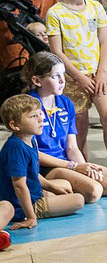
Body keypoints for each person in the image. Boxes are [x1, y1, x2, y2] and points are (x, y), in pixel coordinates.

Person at [45, 0, 107, 172]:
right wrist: (78, 77)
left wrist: (101, 71)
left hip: (97, 74)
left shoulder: (95, 8)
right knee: (78, 124)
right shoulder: (55, 13)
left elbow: (105, 41)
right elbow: (56, 51)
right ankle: (82, 166)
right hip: (72, 78)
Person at [26, 50, 107, 202]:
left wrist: (85, 167)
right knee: (93, 191)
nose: (62, 81)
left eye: (63, 75)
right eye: (55, 76)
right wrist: (73, 167)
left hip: (66, 163)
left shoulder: (65, 103)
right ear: (37, 80)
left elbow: (72, 147)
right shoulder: (28, 105)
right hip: (43, 168)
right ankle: (48, 190)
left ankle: (61, 191)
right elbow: (32, 153)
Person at [2, 91, 84, 233]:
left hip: (30, 194)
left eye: (40, 114)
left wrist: (51, 187)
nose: (41, 119)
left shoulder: (30, 140)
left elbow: (31, 173)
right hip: (22, 203)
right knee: (78, 200)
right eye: (33, 116)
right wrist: (30, 216)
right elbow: (19, 185)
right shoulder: (17, 148)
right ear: (15, 125)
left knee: (64, 185)